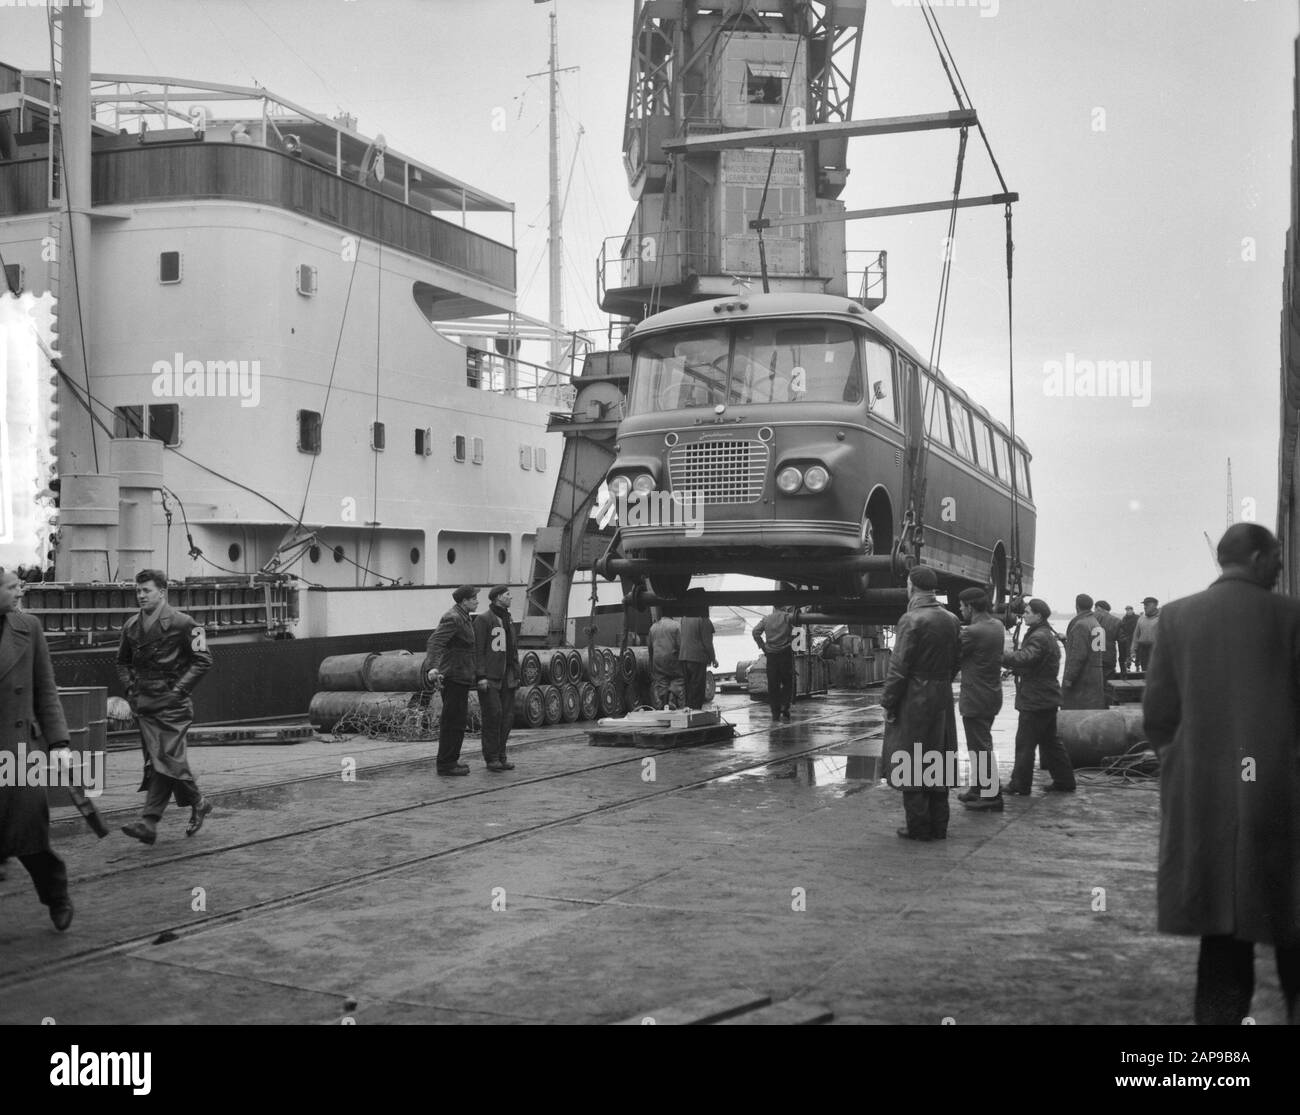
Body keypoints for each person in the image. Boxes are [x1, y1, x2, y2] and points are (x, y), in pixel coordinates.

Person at [1143, 524, 1300, 1024]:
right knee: (1291, 917)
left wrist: (1190, 761)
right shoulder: (1291, 617)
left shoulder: (1176, 617)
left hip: (1206, 793)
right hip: (1282, 795)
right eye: (1275, 556)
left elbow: (1159, 716)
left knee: (1223, 931)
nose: (1280, 565)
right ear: (1257, 558)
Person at [117, 569, 214, 844]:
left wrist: (179, 690)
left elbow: (204, 659)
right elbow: (121, 662)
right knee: (162, 761)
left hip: (173, 705)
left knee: (166, 760)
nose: (141, 595)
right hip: (145, 704)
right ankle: (197, 803)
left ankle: (150, 821)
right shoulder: (131, 626)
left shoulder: (185, 623)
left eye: (146, 590)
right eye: (138, 591)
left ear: (162, 592)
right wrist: (130, 690)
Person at [0, 568, 74, 930]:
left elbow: (46, 689)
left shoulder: (28, 628)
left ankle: (56, 894)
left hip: (17, 749)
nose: (20, 591)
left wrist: (58, 742)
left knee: (29, 834)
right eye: (12, 587)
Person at [881, 567, 961, 841]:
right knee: (938, 755)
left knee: (911, 758)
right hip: (942, 695)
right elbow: (956, 660)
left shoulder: (911, 619)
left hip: (915, 696)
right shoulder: (951, 619)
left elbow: (899, 666)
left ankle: (918, 826)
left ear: (912, 586)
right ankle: (940, 825)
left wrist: (889, 700)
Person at [1001, 598, 1076, 795]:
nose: (1023, 615)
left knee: (1025, 743)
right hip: (1047, 696)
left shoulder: (1039, 637)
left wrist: (1002, 655)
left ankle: (1020, 784)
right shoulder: (1044, 633)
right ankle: (1065, 780)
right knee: (1050, 742)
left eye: (1027, 612)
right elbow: (1035, 663)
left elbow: (1026, 658)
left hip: (1036, 699)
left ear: (1038, 616)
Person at [956, 587, 1004, 812]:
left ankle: (992, 795)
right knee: (979, 744)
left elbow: (953, 656)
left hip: (975, 697)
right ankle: (978, 788)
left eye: (962, 606)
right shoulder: (997, 626)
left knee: (980, 746)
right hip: (991, 695)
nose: (959, 609)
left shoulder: (972, 632)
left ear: (971, 607)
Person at [425, 585, 479, 776]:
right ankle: (446, 764)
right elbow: (435, 642)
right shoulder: (453, 618)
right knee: (452, 721)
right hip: (454, 676)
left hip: (461, 675)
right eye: (473, 598)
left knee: (457, 720)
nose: (477, 601)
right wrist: (432, 667)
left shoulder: (464, 617)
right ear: (464, 601)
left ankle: (451, 761)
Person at [474, 585, 518, 773]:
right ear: (498, 597)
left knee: (507, 717)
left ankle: (501, 755)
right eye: (508, 595)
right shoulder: (484, 619)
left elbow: (512, 648)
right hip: (491, 677)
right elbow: (478, 650)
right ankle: (491, 757)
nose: (511, 598)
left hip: (507, 676)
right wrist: (481, 675)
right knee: (493, 715)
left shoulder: (507, 618)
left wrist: (516, 673)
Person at [1061, 593, 1106, 710]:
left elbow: (1078, 656)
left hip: (1083, 679)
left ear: (1077, 606)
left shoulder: (1080, 624)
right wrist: (1066, 641)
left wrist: (1069, 679)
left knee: (1075, 713)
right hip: (1096, 676)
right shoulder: (1096, 624)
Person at [752, 604, 795, 720]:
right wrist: (791, 639)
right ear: (784, 606)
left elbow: (755, 632)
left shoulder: (766, 619)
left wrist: (763, 646)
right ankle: (785, 705)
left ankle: (775, 712)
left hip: (771, 655)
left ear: (774, 607)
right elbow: (797, 630)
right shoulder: (788, 617)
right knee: (787, 682)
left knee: (773, 684)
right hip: (785, 653)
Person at [678, 588, 717, 710]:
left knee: (688, 688)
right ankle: (695, 713)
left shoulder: (684, 618)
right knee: (697, 689)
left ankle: (688, 711)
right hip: (697, 658)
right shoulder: (704, 620)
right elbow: (707, 643)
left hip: (684, 657)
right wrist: (713, 658)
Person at [646, 612, 684, 710]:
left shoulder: (653, 627)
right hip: (672, 659)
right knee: (679, 678)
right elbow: (681, 646)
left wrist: (651, 663)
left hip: (657, 659)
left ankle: (663, 702)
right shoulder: (676, 626)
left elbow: (650, 648)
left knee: (662, 681)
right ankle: (673, 695)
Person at [1093, 600, 1121, 678]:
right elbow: (1122, 643)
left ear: (1098, 608)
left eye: (1094, 609)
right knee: (1108, 683)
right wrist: (1122, 665)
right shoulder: (1117, 621)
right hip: (1109, 658)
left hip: (1092, 659)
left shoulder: (1089, 620)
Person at [1132, 597, 1160, 672]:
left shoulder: (1162, 618)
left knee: (1156, 671)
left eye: (1147, 605)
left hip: (1157, 649)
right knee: (1144, 671)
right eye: (1144, 605)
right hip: (1143, 649)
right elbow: (1136, 635)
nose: (1144, 607)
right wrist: (1133, 650)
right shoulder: (1141, 618)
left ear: (1155, 605)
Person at [1117, 604, 1138, 677]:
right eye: (1127, 610)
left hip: (1136, 638)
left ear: (1132, 610)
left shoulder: (1137, 617)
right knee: (1127, 654)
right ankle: (1128, 667)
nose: (1128, 611)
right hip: (1127, 639)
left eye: (1129, 609)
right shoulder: (1124, 619)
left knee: (1137, 653)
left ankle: (1137, 665)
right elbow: (1122, 628)